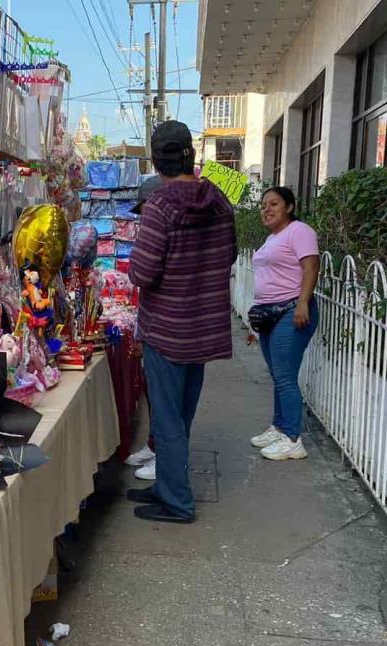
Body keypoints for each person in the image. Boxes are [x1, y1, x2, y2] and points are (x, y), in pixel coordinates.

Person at [126, 121, 237, 523]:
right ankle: (166, 486)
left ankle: (177, 502)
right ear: (190, 154)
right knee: (180, 416)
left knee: (167, 418)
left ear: (156, 161)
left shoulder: (159, 205)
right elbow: (229, 257)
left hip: (167, 329)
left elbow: (143, 271)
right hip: (203, 328)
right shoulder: (221, 202)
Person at [247, 186, 320, 461]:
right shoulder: (273, 238)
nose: (267, 209)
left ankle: (292, 438)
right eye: (263, 205)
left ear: (289, 206)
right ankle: (279, 427)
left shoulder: (299, 231)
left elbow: (311, 266)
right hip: (269, 313)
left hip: (291, 310)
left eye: (274, 204)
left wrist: (303, 302)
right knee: (278, 374)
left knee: (285, 376)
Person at [123, 174, 166, 482]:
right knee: (152, 389)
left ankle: (165, 459)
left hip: (169, 328)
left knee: (166, 398)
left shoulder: (166, 232)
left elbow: (141, 272)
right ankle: (154, 446)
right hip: (154, 321)